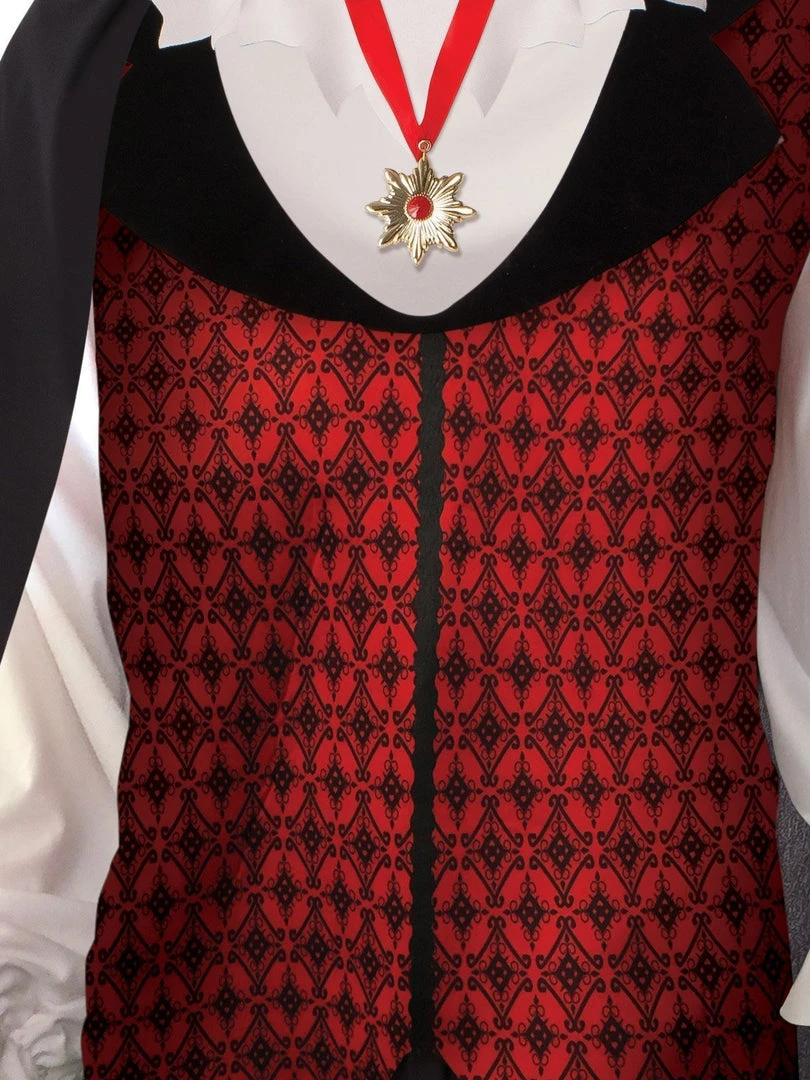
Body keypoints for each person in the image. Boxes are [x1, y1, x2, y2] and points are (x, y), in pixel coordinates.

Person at [2, 0, 810, 1077]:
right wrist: (28, 1012)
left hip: (647, 1000)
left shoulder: (774, 65)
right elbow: (43, 627)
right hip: (223, 1001)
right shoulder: (101, 74)